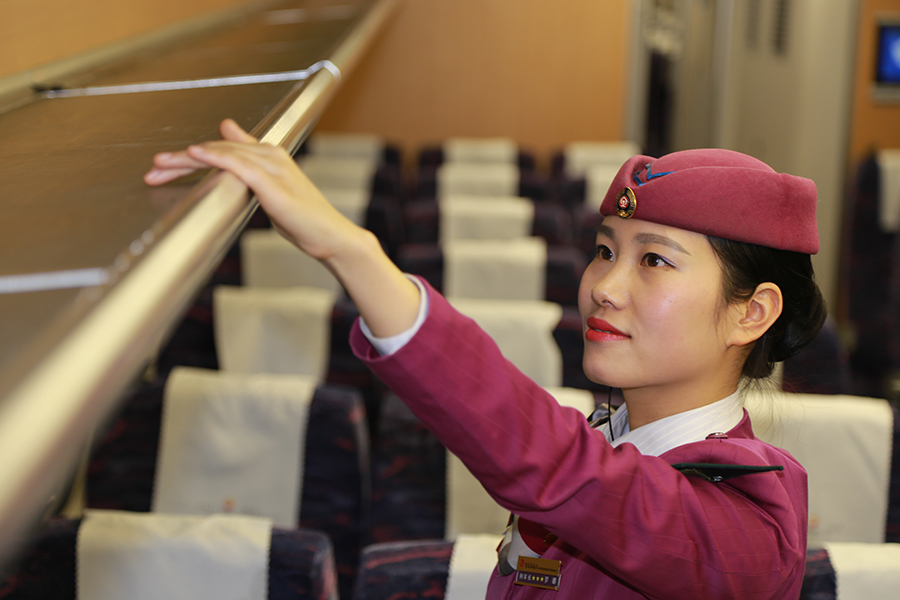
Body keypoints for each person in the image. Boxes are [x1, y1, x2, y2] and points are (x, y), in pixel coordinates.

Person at [146, 119, 826, 599]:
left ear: (752, 312)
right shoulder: (607, 436)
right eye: (605, 250)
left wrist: (351, 252)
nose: (603, 288)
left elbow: (557, 467)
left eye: (653, 261)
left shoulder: (751, 529)